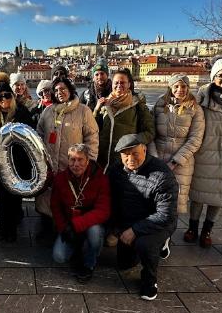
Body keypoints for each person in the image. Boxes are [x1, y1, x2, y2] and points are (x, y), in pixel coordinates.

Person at [108, 134, 178, 300]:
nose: (130, 158)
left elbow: (165, 214)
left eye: (135, 153)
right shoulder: (116, 170)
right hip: (129, 219)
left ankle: (150, 280)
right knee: (124, 264)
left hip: (156, 223)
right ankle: (145, 247)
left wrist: (134, 230)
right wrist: (117, 227)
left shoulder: (162, 174)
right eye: (126, 154)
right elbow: (112, 200)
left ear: (145, 150)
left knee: (144, 244)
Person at [187, 58, 222, 248]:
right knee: (198, 194)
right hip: (205, 153)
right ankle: (192, 227)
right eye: (220, 75)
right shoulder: (202, 98)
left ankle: (207, 230)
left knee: (219, 195)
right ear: (213, 78)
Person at [36, 77, 99, 230]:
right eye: (56, 90)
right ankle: (47, 226)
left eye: (63, 89)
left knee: (69, 200)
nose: (59, 92)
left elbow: (92, 139)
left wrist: (88, 163)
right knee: (47, 198)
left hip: (72, 166)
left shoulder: (84, 111)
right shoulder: (48, 111)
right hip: (50, 166)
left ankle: (65, 230)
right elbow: (39, 134)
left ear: (70, 90)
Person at [0, 73, 33, 242]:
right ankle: (4, 226)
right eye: (0, 96)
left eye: (7, 95)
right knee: (2, 198)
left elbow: (29, 136)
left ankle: (11, 228)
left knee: (13, 197)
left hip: (17, 164)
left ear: (12, 96)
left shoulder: (21, 112)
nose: (4, 99)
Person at [51, 144, 111, 283]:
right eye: (72, 160)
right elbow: (55, 207)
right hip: (69, 225)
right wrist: (63, 228)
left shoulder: (100, 178)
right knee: (59, 257)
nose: (76, 164)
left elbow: (103, 211)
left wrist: (75, 225)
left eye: (80, 160)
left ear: (87, 161)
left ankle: (89, 263)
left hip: (90, 224)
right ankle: (78, 249)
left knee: (95, 233)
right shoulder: (60, 178)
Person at [149, 74, 206, 219]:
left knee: (175, 201)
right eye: (176, 86)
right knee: (154, 198)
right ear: (170, 87)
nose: (180, 89)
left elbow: (195, 139)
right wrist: (154, 158)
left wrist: (175, 161)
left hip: (182, 161)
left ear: (188, 88)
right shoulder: (159, 105)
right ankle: (154, 232)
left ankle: (168, 237)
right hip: (158, 157)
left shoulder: (195, 109)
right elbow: (150, 133)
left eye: (183, 86)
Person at [94, 68, 154, 171]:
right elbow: (92, 128)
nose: (119, 85)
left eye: (123, 82)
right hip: (103, 160)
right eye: (116, 82)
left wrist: (133, 142)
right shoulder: (104, 104)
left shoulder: (137, 105)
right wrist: (96, 109)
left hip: (125, 160)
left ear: (129, 84)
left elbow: (150, 132)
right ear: (111, 84)